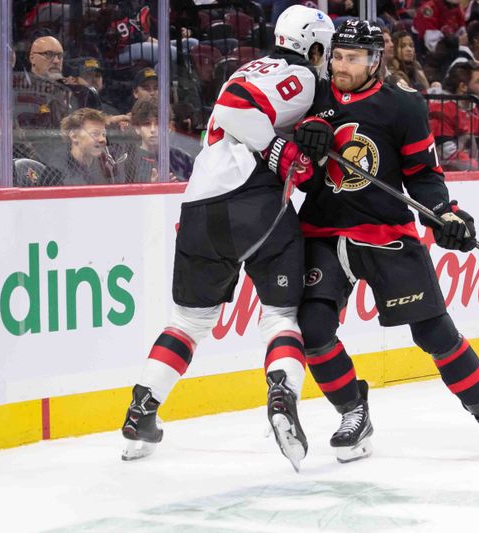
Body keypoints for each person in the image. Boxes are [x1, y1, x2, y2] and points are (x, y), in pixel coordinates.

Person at [296, 20, 479, 464]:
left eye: (353, 58)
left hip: (385, 233)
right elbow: (300, 177)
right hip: (322, 233)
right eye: (337, 57)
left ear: (375, 60)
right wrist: (302, 148)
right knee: (313, 330)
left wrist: (443, 212)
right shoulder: (312, 98)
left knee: (434, 331)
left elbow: (423, 175)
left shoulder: (403, 107)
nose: (342, 66)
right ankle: (352, 412)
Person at [119, 5, 336, 471]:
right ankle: (282, 397)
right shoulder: (300, 73)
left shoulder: (253, 64)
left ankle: (144, 408)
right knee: (280, 316)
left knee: (188, 323)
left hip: (200, 204)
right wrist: (280, 149)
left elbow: (237, 103)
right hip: (254, 202)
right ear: (313, 45)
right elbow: (237, 106)